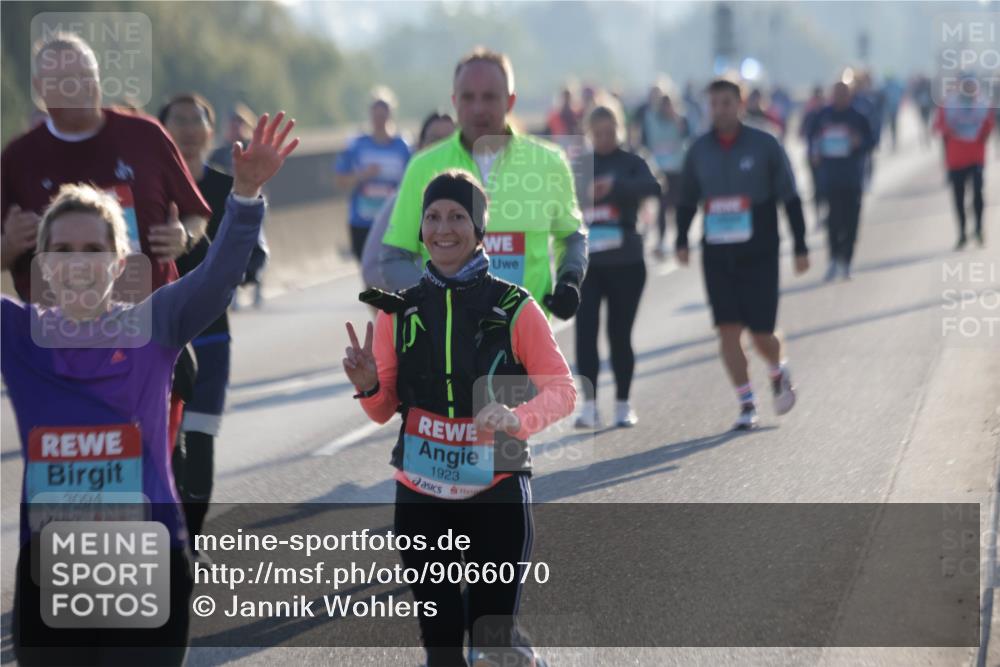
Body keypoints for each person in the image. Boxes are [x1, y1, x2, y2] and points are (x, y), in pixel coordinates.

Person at [4, 111, 297, 666]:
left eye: (93, 251)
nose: (77, 265)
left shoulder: (153, 323)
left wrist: (245, 194)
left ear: (119, 263)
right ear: (42, 264)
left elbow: (218, 276)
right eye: (62, 252)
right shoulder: (18, 334)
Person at [343, 170, 575, 666]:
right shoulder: (398, 311)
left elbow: (563, 390)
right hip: (422, 493)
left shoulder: (515, 306)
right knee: (442, 645)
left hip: (497, 488)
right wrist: (367, 385)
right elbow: (381, 410)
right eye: (432, 217)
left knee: (491, 638)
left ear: (479, 228)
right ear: (420, 228)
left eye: (457, 217)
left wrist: (517, 418)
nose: (443, 228)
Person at [1, 32, 212, 469]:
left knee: (153, 467)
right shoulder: (18, 159)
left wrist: (183, 237)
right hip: (60, 350)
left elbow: (196, 215)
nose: (78, 88)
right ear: (40, 91)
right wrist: (8, 246)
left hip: (147, 333)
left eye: (85, 76)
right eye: (63, 80)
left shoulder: (145, 136)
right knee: (82, 472)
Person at [378, 48, 587, 319]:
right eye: (468, 97)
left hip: (524, 335)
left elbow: (572, 238)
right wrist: (435, 300)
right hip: (447, 338)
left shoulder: (549, 161)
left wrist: (570, 278)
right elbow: (394, 257)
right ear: (454, 100)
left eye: (489, 97)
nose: (478, 109)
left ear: (510, 101)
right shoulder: (423, 166)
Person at [675, 79, 810, 430]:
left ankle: (777, 369)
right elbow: (686, 199)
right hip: (718, 255)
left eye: (726, 102)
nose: (719, 110)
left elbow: (790, 197)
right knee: (727, 330)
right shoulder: (699, 149)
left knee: (761, 334)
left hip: (759, 250)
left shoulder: (765, 143)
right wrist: (681, 240)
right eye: (714, 104)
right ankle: (747, 402)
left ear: (740, 103)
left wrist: (800, 245)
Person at [159, 92, 259, 546]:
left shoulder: (226, 187)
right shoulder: (149, 188)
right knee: (162, 441)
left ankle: (192, 543)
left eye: (195, 119)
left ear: (209, 129)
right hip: (157, 334)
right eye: (176, 120)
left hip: (211, 334)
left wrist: (248, 265)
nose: (186, 128)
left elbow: (253, 249)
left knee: (199, 435)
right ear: (161, 131)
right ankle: (167, 538)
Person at [574, 106, 660, 428]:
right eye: (598, 133)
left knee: (619, 335)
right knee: (585, 335)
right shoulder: (579, 165)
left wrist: (615, 186)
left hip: (626, 261)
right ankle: (589, 406)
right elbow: (558, 202)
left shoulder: (631, 161)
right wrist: (585, 193)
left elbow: (655, 187)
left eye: (610, 132)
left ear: (619, 129)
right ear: (589, 134)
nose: (605, 138)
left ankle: (623, 403)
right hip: (588, 265)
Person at [361, 111, 456, 290]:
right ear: (419, 146)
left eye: (450, 141)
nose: (442, 149)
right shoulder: (402, 200)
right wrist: (430, 291)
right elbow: (372, 268)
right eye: (434, 140)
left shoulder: (481, 197)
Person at [335, 87, 411, 265]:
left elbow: (412, 183)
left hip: (392, 222)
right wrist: (363, 175)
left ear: (390, 115)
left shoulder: (403, 147)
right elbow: (340, 180)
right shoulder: (357, 145)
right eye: (376, 115)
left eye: (383, 115)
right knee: (367, 271)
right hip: (362, 222)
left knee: (389, 272)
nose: (379, 120)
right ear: (370, 115)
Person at [808, 81, 876, 280]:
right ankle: (833, 258)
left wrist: (859, 143)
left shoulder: (858, 117)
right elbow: (811, 139)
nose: (840, 97)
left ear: (850, 95)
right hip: (830, 178)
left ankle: (846, 260)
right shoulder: (822, 116)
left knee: (851, 221)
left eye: (844, 93)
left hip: (852, 178)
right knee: (833, 220)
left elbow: (872, 141)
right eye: (837, 93)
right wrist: (814, 154)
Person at [934, 76, 994, 249]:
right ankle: (962, 233)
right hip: (956, 159)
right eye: (965, 85)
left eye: (971, 85)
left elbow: (989, 125)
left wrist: (980, 133)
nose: (968, 88)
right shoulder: (948, 105)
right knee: (958, 198)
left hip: (976, 157)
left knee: (978, 194)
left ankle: (978, 229)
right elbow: (938, 126)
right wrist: (951, 130)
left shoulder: (983, 104)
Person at [643, 93, 689, 258]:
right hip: (660, 170)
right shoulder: (652, 121)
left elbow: (687, 137)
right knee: (662, 206)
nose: (666, 108)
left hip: (677, 169)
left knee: (677, 206)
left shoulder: (680, 120)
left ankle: (680, 239)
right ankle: (661, 240)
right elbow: (646, 141)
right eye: (663, 105)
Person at [799, 85, 827, 222]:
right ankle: (818, 214)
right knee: (816, 186)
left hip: (828, 157)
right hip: (813, 156)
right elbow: (802, 132)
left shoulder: (828, 113)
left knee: (826, 186)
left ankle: (827, 212)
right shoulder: (810, 114)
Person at [207, 102, 256, 175]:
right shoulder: (217, 154)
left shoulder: (251, 150)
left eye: (239, 122)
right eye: (232, 123)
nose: (235, 126)